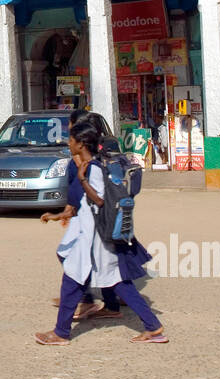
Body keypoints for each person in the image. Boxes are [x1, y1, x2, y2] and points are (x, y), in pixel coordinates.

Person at [35, 122, 166, 346]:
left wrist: (83, 178)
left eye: (72, 140)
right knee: (118, 283)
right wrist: (59, 215)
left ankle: (61, 333)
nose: (69, 144)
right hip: (94, 237)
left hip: (95, 238)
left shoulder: (93, 168)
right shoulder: (91, 165)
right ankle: (153, 327)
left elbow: (99, 199)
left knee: (73, 281)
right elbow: (86, 203)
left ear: (81, 144)